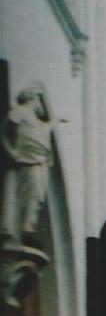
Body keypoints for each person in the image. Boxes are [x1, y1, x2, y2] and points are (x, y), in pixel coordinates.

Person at [1, 83, 53, 244]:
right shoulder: (20, 112)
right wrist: (12, 153)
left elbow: (48, 123)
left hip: (39, 161)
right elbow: (4, 133)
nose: (40, 104)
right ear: (33, 98)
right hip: (26, 160)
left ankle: (29, 228)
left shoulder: (38, 122)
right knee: (26, 195)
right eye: (39, 99)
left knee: (37, 196)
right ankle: (25, 229)